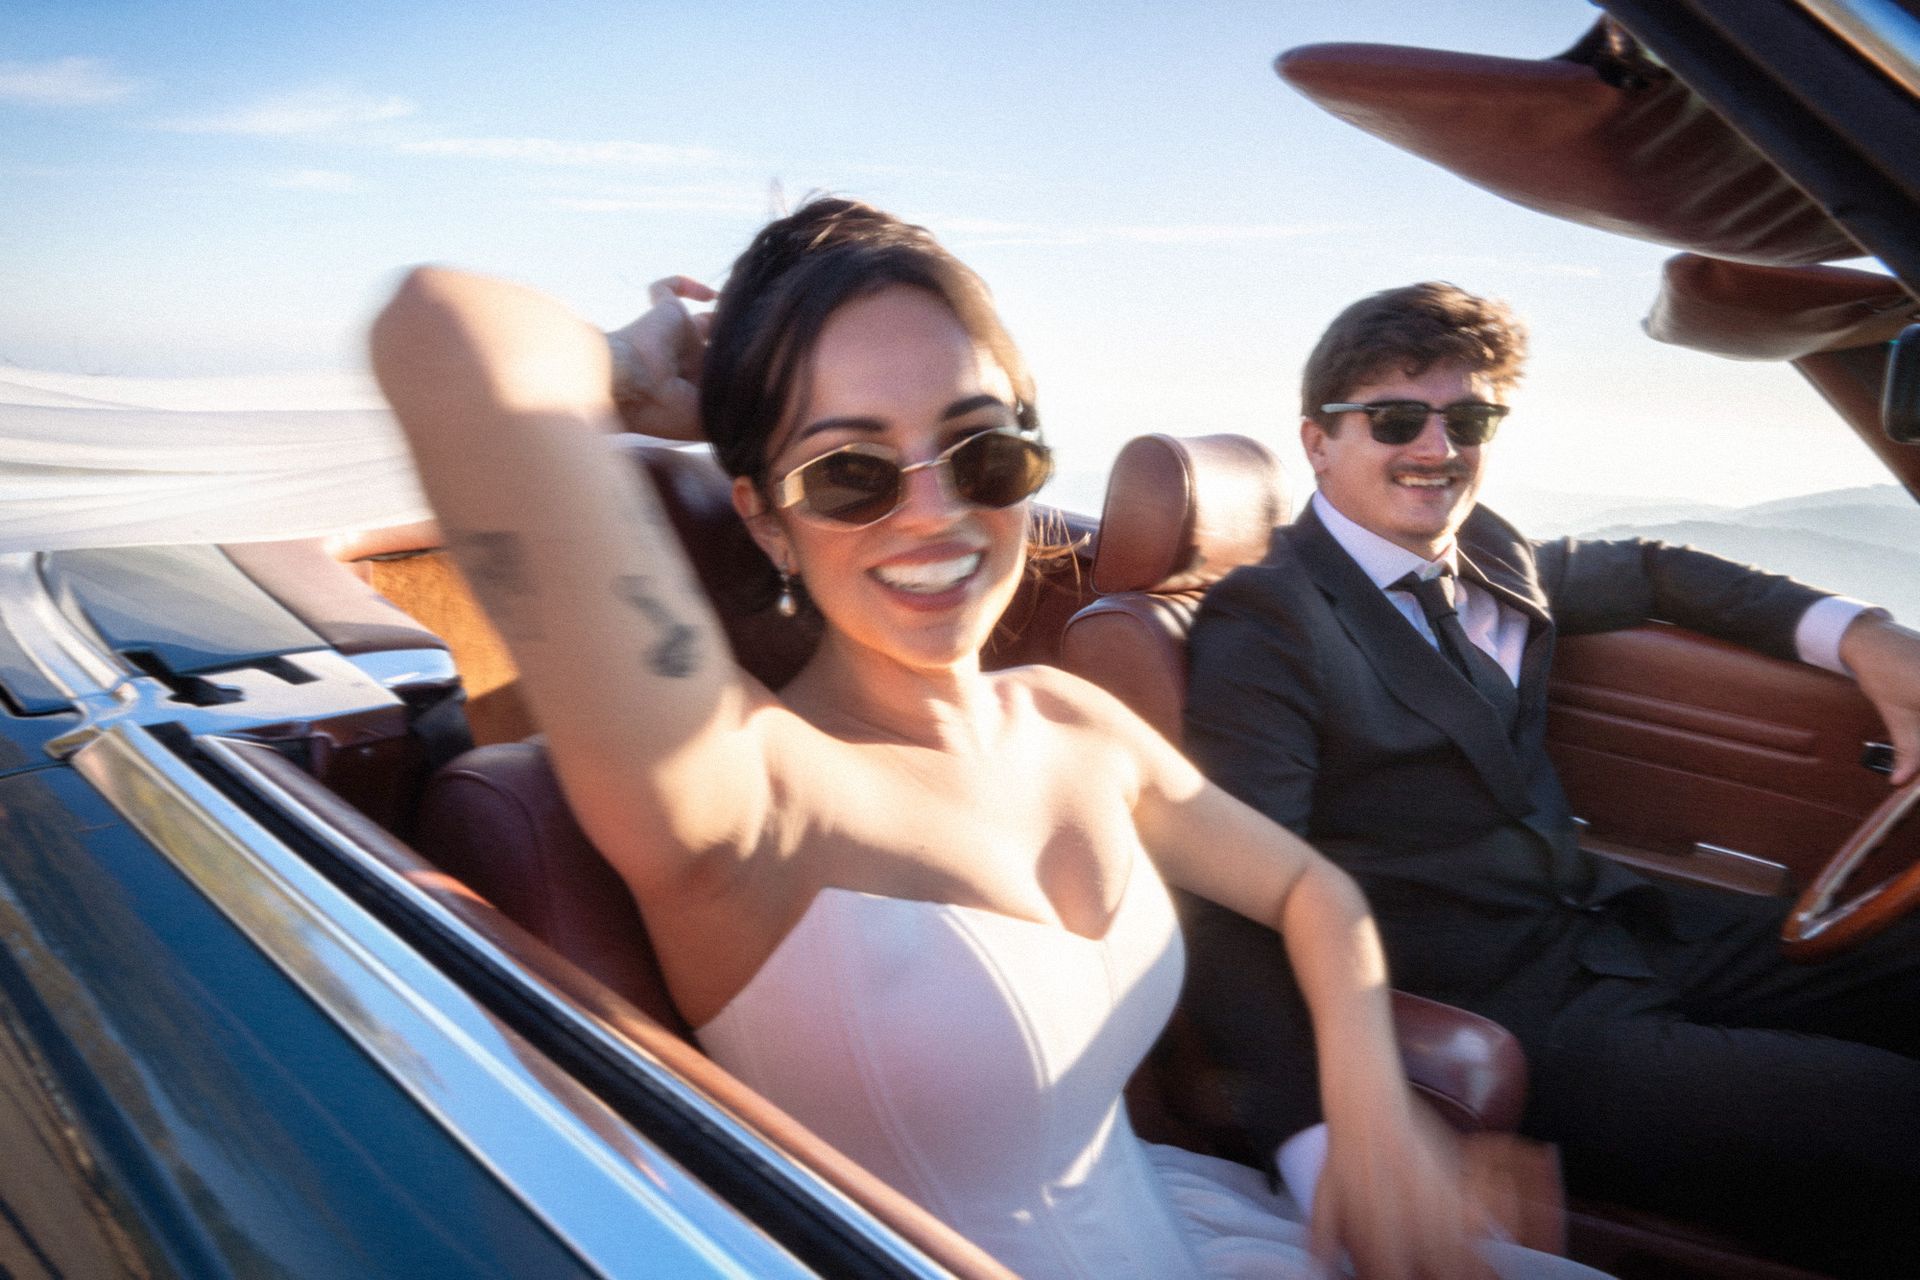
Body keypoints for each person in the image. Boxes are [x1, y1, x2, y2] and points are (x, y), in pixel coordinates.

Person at [369, 202, 1610, 1280]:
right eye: (849, 471)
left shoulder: (1069, 718)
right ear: (763, 519)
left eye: (983, 449)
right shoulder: (744, 790)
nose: (936, 511)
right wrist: (638, 373)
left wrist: (1365, 1104)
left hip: (1203, 1226)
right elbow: (441, 327)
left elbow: (1310, 887)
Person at [1180, 280, 1920, 1277]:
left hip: (1614, 932)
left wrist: (1864, 636)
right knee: (1889, 1114)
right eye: (1397, 418)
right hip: (1504, 1016)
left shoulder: (1486, 549)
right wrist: (1332, 1150)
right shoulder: (1266, 620)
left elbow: (1658, 571)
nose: (1438, 448)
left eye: (1469, 418)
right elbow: (1234, 906)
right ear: (1319, 441)